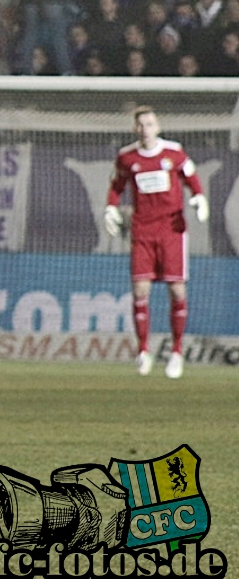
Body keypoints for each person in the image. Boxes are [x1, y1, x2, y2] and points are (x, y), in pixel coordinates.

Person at [103, 107, 208, 379]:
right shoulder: (127, 158)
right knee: (140, 289)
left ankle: (175, 352)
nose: (145, 129)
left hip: (172, 231)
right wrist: (111, 208)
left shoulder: (173, 153)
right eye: (140, 125)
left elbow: (191, 176)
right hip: (143, 231)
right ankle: (143, 351)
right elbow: (117, 186)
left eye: (149, 124)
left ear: (157, 127)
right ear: (134, 129)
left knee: (177, 291)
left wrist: (199, 196)